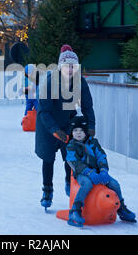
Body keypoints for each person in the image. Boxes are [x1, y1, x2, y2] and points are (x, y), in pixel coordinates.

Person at [35, 45, 95, 210]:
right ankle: (47, 191)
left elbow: (87, 106)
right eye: (67, 66)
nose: (70, 69)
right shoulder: (50, 81)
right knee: (48, 159)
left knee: (69, 157)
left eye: (73, 66)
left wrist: (91, 127)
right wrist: (55, 130)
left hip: (67, 123)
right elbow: (44, 111)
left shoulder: (80, 82)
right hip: (47, 125)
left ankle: (70, 184)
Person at [66, 116, 136, 226]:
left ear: (86, 132)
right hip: (81, 174)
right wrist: (88, 172)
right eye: (75, 130)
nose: (78, 133)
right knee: (87, 184)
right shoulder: (71, 146)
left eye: (81, 130)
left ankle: (121, 208)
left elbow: (101, 156)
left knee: (114, 183)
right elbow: (74, 162)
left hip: (97, 172)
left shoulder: (93, 143)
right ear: (72, 132)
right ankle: (75, 210)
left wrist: (103, 170)